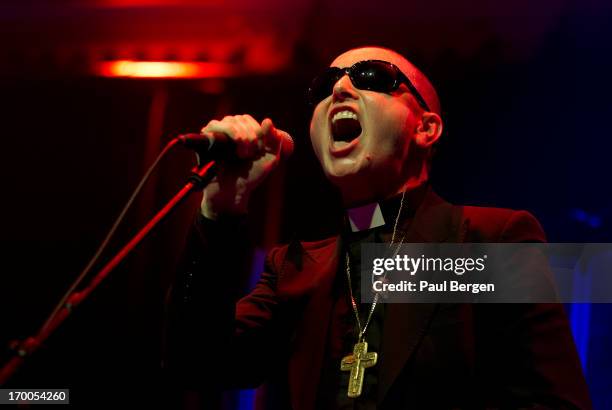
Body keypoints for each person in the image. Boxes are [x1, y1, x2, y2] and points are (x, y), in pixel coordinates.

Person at [164, 46, 591, 409]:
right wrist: (220, 208)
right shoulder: (295, 269)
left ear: (425, 128)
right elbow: (196, 363)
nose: (339, 89)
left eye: (371, 76)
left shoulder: (489, 241)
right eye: (324, 85)